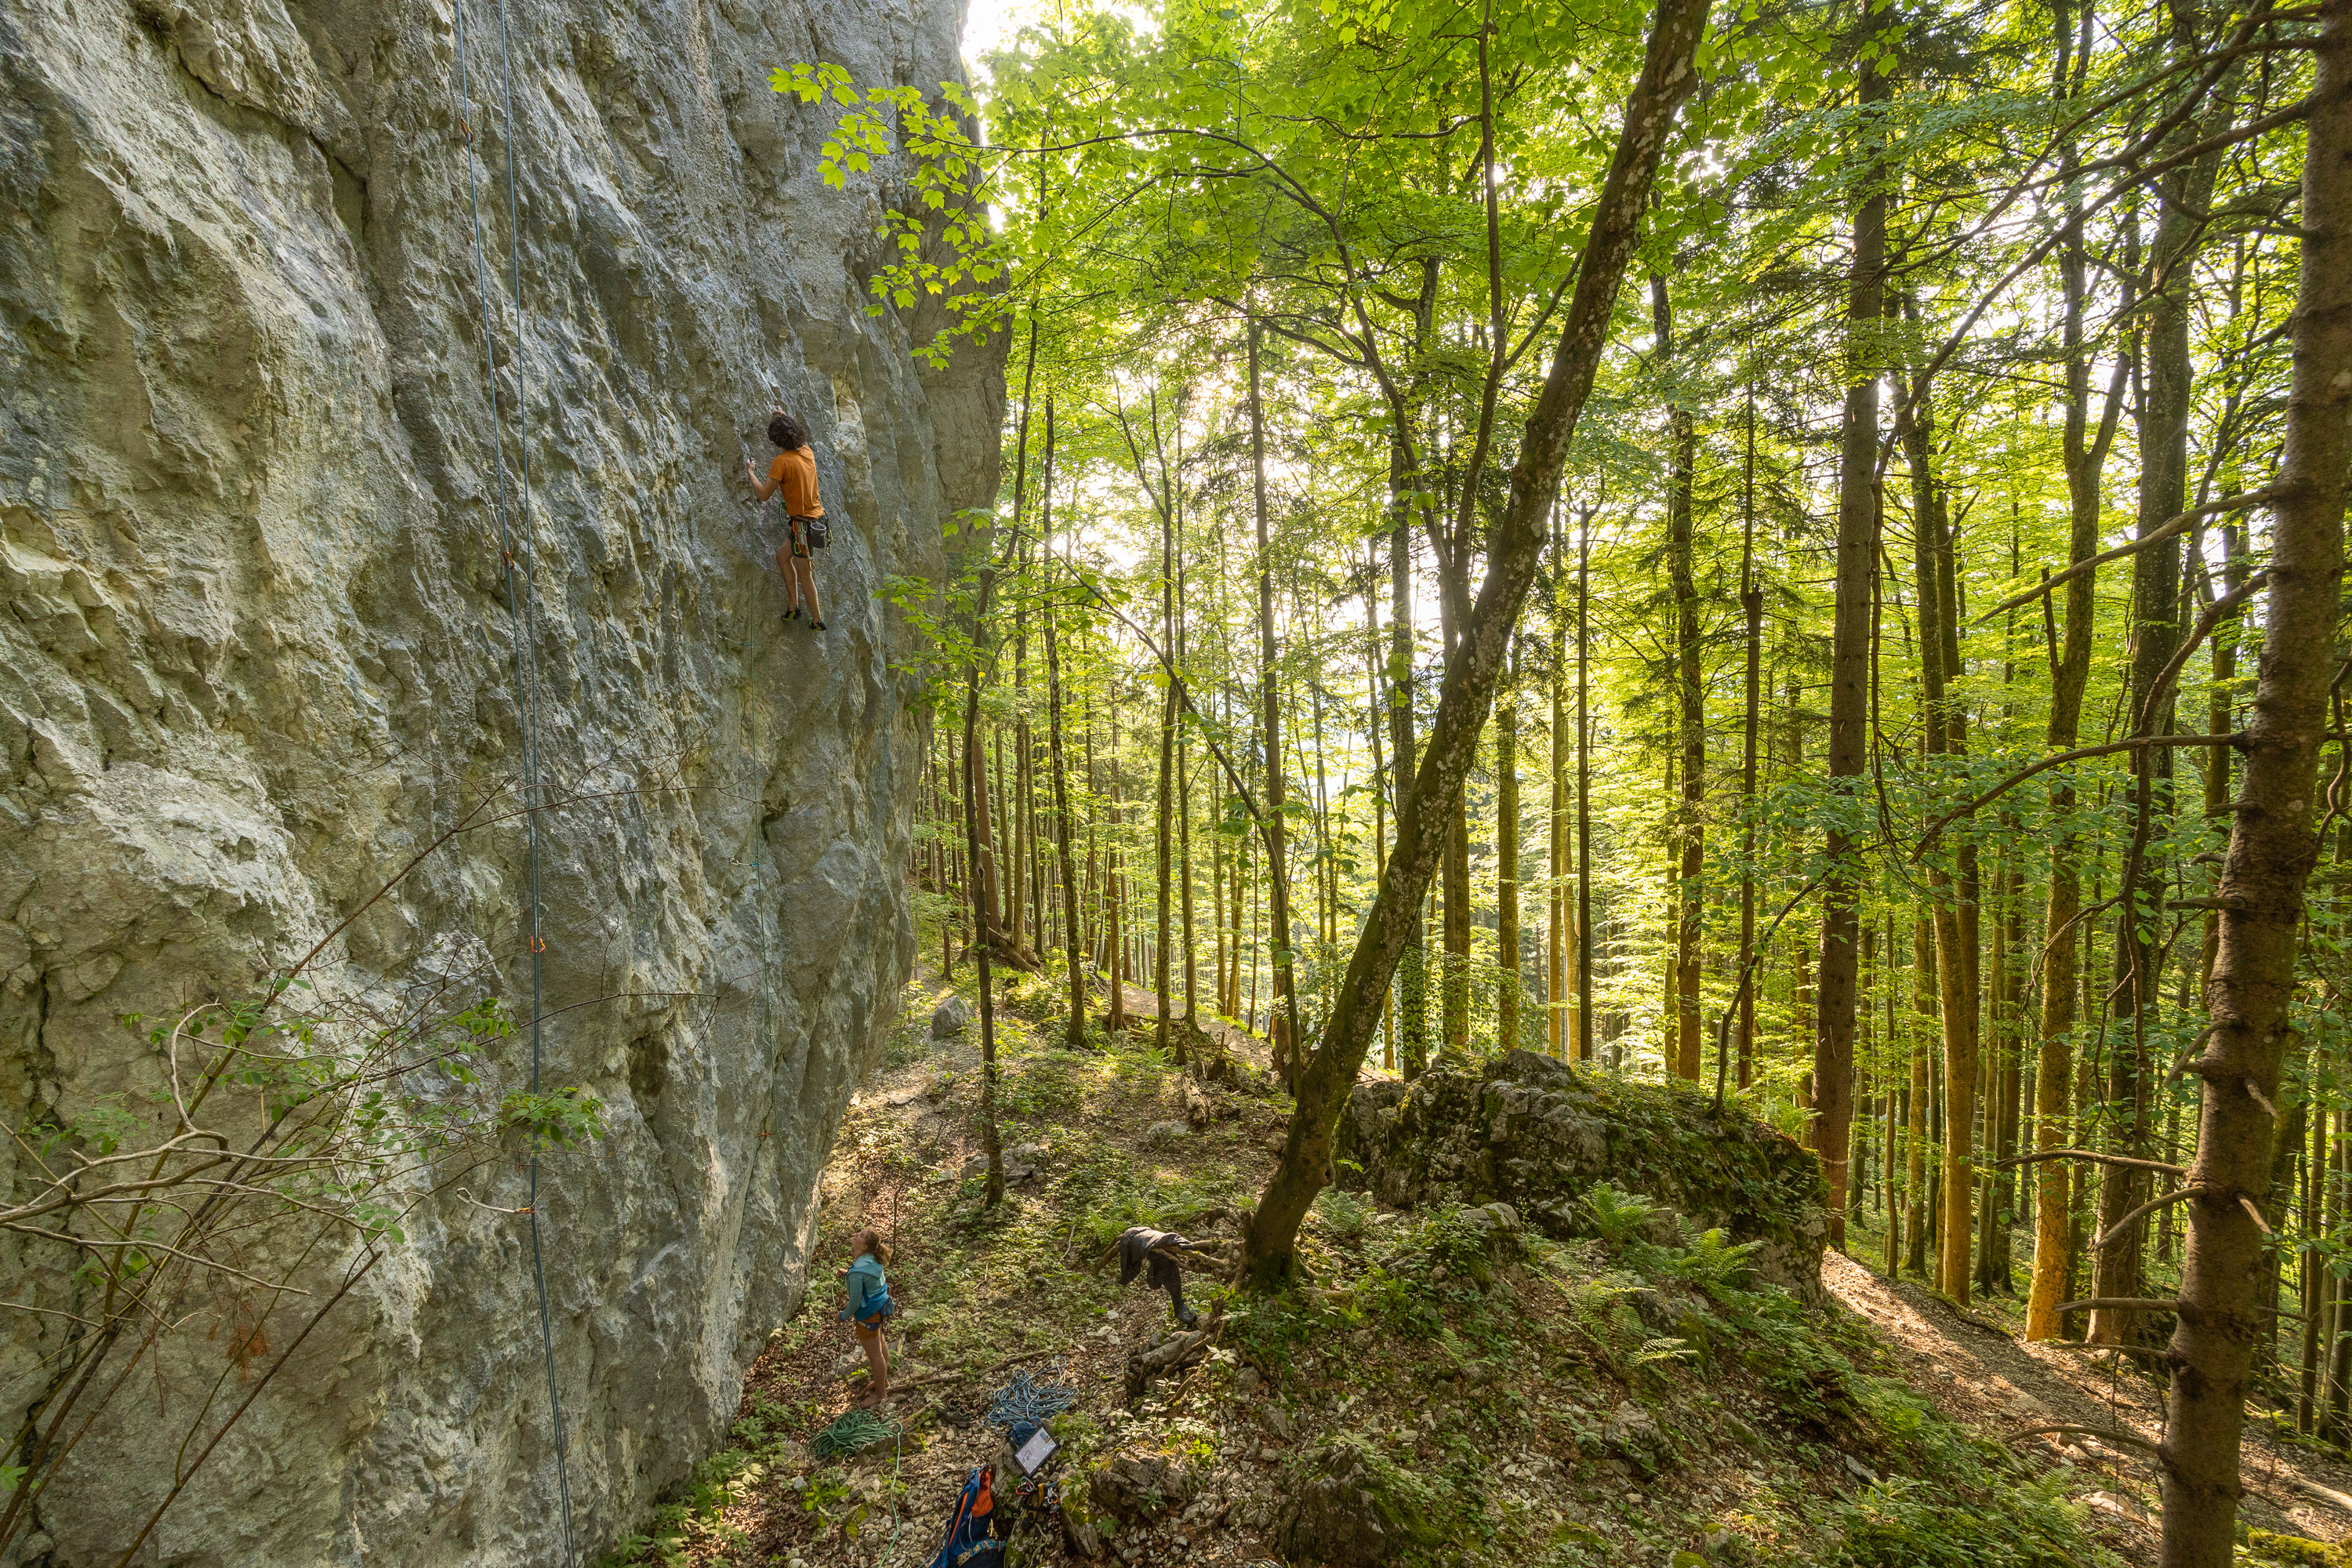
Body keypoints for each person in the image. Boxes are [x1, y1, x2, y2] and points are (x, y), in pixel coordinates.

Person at [743, 408, 826, 631]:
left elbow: (763, 494)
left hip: (802, 527)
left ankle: (817, 621)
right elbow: (797, 434)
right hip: (817, 520)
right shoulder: (807, 451)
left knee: (805, 575)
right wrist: (782, 416)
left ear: (778, 441)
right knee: (782, 557)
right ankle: (793, 606)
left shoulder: (782, 462)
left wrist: (751, 471)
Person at [837, 1228, 894, 1406]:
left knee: (875, 1355)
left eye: (860, 1236)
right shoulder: (873, 1261)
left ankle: (880, 1394)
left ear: (863, 1248)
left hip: (868, 1316)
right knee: (881, 1343)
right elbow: (868, 1281)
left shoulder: (858, 1272)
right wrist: (849, 1274)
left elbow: (854, 1303)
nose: (856, 1235)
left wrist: (842, 1316)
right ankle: (882, 1381)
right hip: (879, 1309)